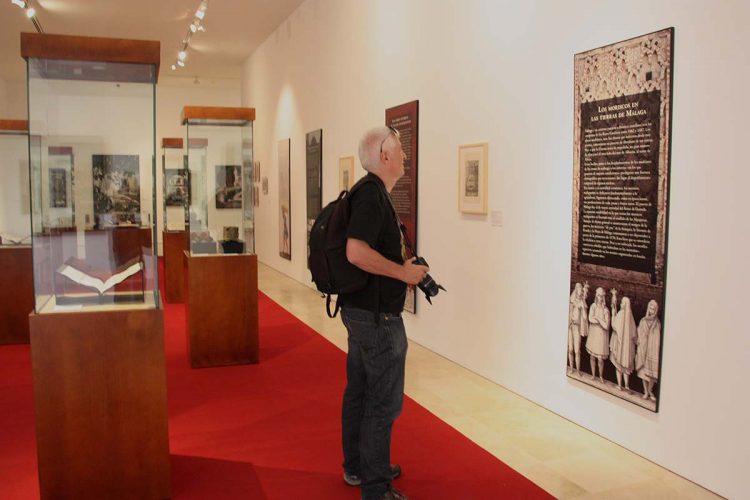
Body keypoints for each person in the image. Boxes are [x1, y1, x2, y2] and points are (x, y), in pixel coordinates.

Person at [338, 126, 428, 500]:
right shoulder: (372, 197)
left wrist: (401, 266)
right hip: (376, 318)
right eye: (400, 150)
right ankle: (376, 488)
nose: (405, 155)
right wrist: (402, 273)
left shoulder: (370, 193)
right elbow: (355, 252)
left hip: (362, 310)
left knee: (360, 392)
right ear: (384, 156)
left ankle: (359, 467)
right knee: (382, 400)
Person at [610, 296, 637, 391]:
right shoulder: (630, 316)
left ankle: (619, 385)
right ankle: (626, 386)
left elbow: (614, 326)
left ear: (624, 305)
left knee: (619, 366)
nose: (620, 304)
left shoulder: (621, 314)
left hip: (619, 345)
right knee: (626, 368)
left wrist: (613, 314)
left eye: (621, 303)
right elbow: (634, 334)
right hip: (627, 348)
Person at [636, 300, 661, 401]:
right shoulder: (643, 321)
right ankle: (646, 391)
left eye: (653, 309)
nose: (651, 310)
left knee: (651, 375)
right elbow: (640, 334)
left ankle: (650, 391)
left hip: (652, 350)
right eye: (650, 308)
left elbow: (657, 337)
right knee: (643, 372)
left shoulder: (657, 322)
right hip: (643, 348)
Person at [586, 287, 610, 382]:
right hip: (594, 335)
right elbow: (590, 319)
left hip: (601, 337)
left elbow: (606, 326)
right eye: (598, 295)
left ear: (603, 297)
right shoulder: (593, 306)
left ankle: (600, 376)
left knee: (600, 359)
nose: (600, 297)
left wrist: (598, 319)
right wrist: (600, 321)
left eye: (601, 296)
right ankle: (593, 374)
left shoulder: (606, 310)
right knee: (592, 356)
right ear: (596, 296)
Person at [567, 282, 588, 375]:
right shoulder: (572, 301)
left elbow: (584, 317)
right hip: (570, 327)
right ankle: (571, 369)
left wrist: (582, 307)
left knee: (577, 350)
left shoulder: (582, 302)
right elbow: (569, 313)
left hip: (577, 327)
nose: (579, 291)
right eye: (577, 289)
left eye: (580, 289)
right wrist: (569, 322)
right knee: (570, 349)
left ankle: (578, 370)